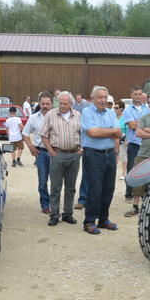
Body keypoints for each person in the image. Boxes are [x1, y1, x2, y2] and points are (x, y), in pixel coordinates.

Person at [80, 85, 121, 235]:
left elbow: (119, 134)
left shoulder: (110, 113)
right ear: (92, 99)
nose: (103, 100)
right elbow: (92, 132)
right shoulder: (86, 111)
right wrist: (111, 132)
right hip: (93, 155)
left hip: (109, 154)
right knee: (95, 189)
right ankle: (89, 221)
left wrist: (105, 132)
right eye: (100, 97)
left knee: (108, 189)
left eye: (105, 97)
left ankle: (104, 220)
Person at [40, 91, 82, 226]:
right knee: (55, 187)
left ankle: (68, 214)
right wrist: (51, 151)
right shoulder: (50, 115)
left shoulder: (78, 116)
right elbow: (43, 135)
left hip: (74, 155)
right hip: (57, 155)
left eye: (65, 103)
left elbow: (84, 134)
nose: (62, 106)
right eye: (61, 103)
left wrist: (81, 150)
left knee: (70, 187)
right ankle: (54, 215)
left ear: (71, 104)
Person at [23, 92, 53, 214]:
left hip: (56, 153)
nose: (45, 106)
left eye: (47, 103)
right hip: (41, 153)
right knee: (42, 181)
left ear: (52, 104)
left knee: (56, 182)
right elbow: (25, 133)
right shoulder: (33, 118)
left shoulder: (57, 117)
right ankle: (45, 205)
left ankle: (54, 205)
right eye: (43, 103)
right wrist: (31, 147)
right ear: (39, 103)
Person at [122, 85, 149, 200]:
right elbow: (132, 126)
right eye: (135, 94)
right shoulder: (128, 110)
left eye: (140, 94)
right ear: (131, 95)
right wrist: (145, 124)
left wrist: (139, 124)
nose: (138, 96)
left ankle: (143, 193)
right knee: (132, 168)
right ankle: (129, 193)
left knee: (146, 169)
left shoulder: (147, 108)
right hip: (134, 143)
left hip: (146, 143)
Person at [116, 101, 128, 179]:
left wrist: (127, 139)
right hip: (114, 137)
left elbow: (128, 129)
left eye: (116, 108)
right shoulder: (113, 117)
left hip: (123, 137)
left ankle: (124, 172)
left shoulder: (125, 118)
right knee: (115, 155)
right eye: (114, 108)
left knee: (123, 155)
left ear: (121, 109)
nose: (114, 109)